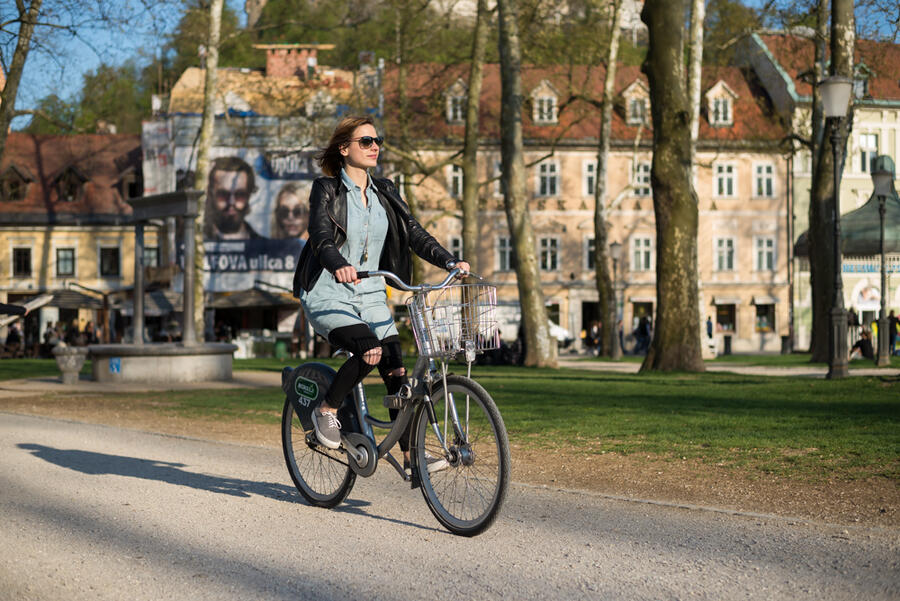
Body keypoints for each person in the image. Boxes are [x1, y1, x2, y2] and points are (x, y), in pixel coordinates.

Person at [292, 115, 469, 472]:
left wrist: (450, 261)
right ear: (345, 149)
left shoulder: (385, 190)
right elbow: (321, 236)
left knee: (397, 375)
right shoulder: (325, 189)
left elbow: (414, 233)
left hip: (372, 295)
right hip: (330, 291)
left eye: (378, 141)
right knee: (369, 350)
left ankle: (409, 458)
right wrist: (337, 262)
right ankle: (326, 409)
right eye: (366, 141)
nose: (375, 147)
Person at [204, 156, 262, 240]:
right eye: (223, 194)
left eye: (240, 195)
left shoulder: (263, 247)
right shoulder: (195, 242)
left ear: (249, 195)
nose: (231, 202)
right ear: (210, 194)